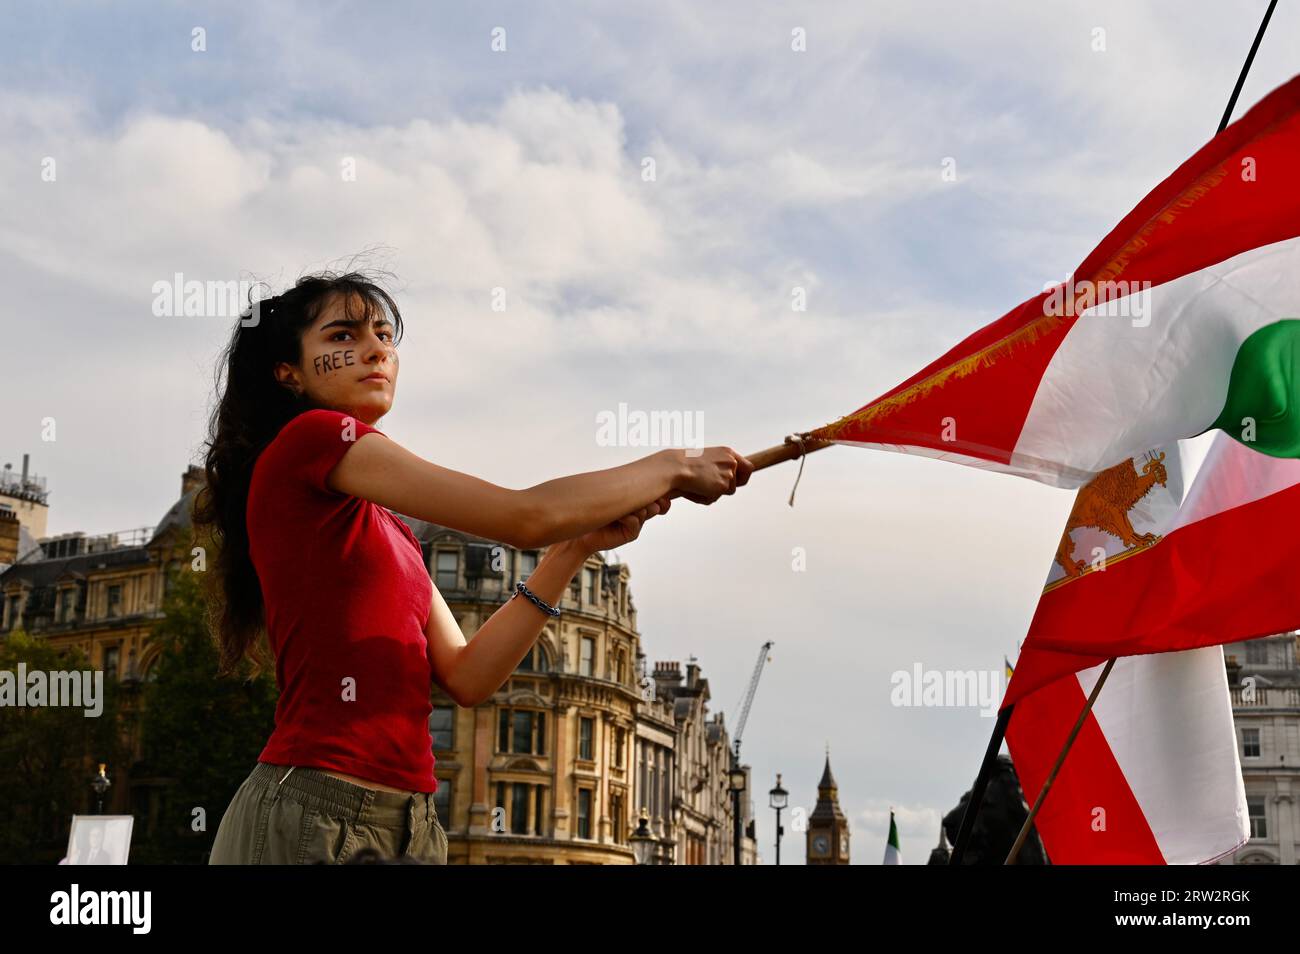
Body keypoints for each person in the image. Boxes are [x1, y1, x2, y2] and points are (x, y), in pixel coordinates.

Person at [199, 269, 752, 864]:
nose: (375, 348)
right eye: (341, 337)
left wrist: (573, 552)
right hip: (318, 808)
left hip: (410, 822)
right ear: (289, 373)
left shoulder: (389, 531)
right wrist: (672, 464)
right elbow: (525, 515)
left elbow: (468, 675)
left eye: (384, 334)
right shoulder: (312, 437)